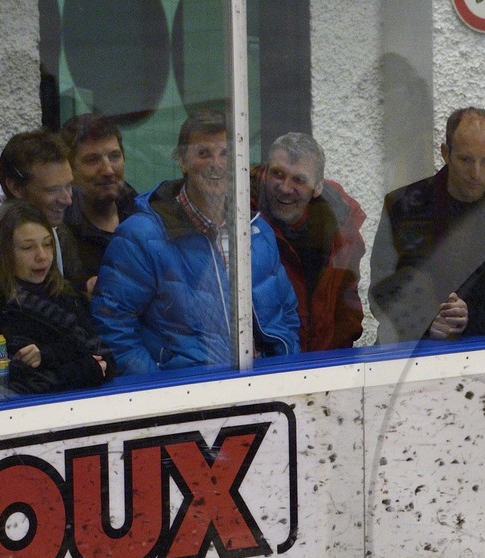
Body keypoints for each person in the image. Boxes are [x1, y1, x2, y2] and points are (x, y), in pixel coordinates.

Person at [93, 109, 301, 375]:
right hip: (187, 400)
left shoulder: (257, 231)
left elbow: (286, 314)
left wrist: (284, 372)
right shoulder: (141, 236)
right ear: (182, 161)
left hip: (263, 392)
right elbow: (113, 328)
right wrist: (160, 391)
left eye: (226, 153)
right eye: (203, 153)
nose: (216, 163)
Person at [371, 107, 485, 344]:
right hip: (411, 351)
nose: (476, 173)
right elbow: (380, 290)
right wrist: (425, 321)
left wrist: (471, 318)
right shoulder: (402, 206)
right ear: (445, 153)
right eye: (465, 159)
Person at [0, 201, 112, 395]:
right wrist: (79, 370)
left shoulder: (64, 294)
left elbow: (106, 362)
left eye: (48, 244)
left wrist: (48, 356)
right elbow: (1, 385)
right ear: (2, 252)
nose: (43, 256)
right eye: (27, 247)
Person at [252, 132, 367, 352]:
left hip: (324, 368)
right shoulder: (243, 222)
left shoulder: (342, 229)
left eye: (299, 179)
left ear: (318, 187)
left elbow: (347, 309)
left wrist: (336, 366)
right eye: (278, 174)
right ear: (265, 173)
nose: (285, 188)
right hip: (266, 371)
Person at [0, 129, 86, 288]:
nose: (67, 200)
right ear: (15, 187)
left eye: (69, 185)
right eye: (52, 190)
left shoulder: (55, 228)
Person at [59, 113, 139, 284]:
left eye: (114, 156)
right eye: (92, 160)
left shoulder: (142, 212)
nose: (108, 170)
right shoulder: (60, 231)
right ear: (69, 169)